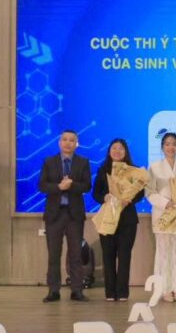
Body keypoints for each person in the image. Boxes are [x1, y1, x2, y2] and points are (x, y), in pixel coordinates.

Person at [38, 129, 91, 302]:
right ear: (59, 142)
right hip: (54, 214)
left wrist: (72, 185)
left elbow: (87, 186)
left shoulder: (83, 162)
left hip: (74, 215)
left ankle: (77, 290)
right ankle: (53, 291)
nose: (68, 143)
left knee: (76, 255)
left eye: (72, 140)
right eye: (65, 139)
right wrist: (59, 187)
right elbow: (42, 185)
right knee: (54, 255)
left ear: (76, 144)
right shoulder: (49, 161)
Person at [92, 138, 145, 302]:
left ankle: (122, 292)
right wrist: (105, 197)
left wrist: (129, 199)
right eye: (114, 148)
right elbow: (96, 193)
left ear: (126, 152)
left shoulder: (134, 171)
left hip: (128, 219)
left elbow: (141, 193)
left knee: (124, 256)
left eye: (121, 148)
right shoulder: (103, 170)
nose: (117, 151)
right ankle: (110, 292)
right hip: (107, 218)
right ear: (109, 151)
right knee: (108, 256)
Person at [147, 132, 176, 302]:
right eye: (167, 144)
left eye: (174, 144)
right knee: (164, 253)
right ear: (162, 147)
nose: (171, 147)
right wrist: (166, 203)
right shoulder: (154, 167)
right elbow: (149, 192)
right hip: (163, 214)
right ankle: (165, 288)